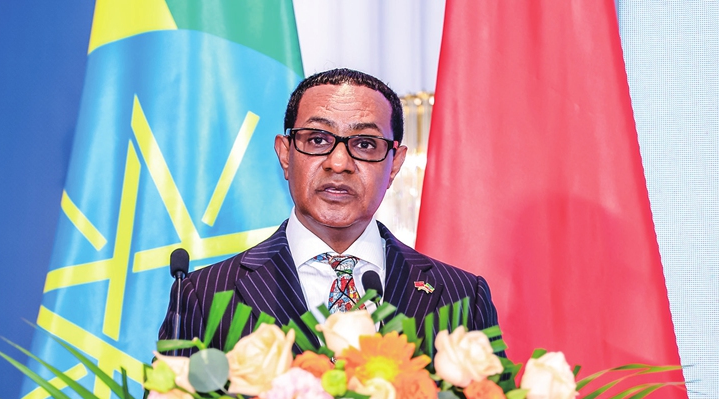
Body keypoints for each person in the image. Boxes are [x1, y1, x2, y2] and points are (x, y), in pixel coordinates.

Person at [158, 68, 498, 349]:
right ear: (285, 154)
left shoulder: (463, 297)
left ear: (394, 165)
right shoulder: (205, 295)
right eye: (318, 140)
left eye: (365, 144)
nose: (339, 163)